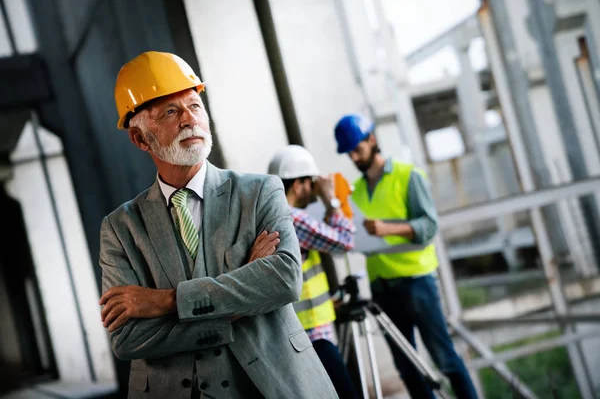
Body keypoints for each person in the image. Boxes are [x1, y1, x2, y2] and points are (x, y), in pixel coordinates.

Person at [98, 51, 338, 399]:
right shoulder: (120, 228)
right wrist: (243, 297)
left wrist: (166, 301)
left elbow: (284, 280)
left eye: (195, 106)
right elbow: (127, 338)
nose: (189, 120)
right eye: (170, 111)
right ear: (139, 138)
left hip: (277, 386)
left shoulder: (260, 192)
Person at [334, 114, 479, 399]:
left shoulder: (408, 175)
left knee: (446, 360)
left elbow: (429, 226)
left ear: (372, 139)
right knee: (406, 368)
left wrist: (388, 228)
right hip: (382, 288)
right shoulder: (357, 192)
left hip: (417, 283)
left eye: (357, 149)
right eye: (349, 152)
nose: (353, 156)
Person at [268, 145, 360, 399]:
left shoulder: (270, 215)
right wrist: (331, 200)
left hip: (302, 331)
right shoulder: (293, 219)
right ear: (297, 185)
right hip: (312, 334)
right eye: (310, 182)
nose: (313, 188)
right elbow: (344, 241)